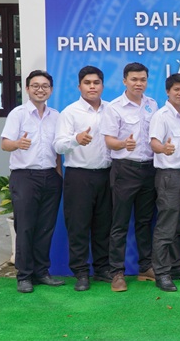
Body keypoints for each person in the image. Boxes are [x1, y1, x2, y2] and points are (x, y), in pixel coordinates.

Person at [1, 70, 63, 293]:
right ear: (27, 89)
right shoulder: (18, 114)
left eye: (45, 86)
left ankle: (41, 272)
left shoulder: (56, 116)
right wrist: (17, 143)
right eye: (35, 85)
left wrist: (58, 173)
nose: (40, 89)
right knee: (26, 227)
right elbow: (4, 144)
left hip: (50, 176)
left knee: (46, 227)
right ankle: (24, 276)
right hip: (25, 177)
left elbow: (57, 148)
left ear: (51, 90)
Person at [53, 66, 112, 291]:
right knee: (78, 226)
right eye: (87, 83)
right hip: (79, 176)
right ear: (79, 86)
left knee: (103, 225)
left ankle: (102, 269)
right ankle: (80, 272)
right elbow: (58, 145)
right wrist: (76, 140)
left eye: (96, 83)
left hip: (107, 174)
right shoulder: (70, 112)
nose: (92, 87)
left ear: (102, 86)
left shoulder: (111, 110)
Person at [101, 62, 158, 292]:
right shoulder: (114, 107)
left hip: (149, 169)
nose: (138, 83)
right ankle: (117, 272)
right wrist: (124, 144)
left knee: (145, 221)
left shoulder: (152, 104)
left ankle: (146, 267)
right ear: (125, 81)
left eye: (142, 79)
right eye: (134, 79)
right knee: (120, 223)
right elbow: (109, 141)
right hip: (125, 169)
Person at [149, 74, 180, 292]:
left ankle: (177, 266)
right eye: (176, 89)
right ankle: (161, 272)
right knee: (166, 226)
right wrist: (164, 149)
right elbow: (154, 143)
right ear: (167, 91)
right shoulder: (161, 116)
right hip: (169, 175)